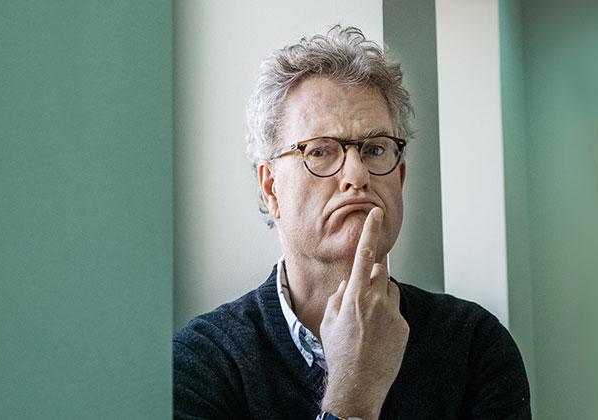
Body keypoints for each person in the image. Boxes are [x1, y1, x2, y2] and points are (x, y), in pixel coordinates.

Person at [173, 25, 531, 420]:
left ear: (400, 178)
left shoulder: (475, 346)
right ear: (271, 187)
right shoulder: (203, 363)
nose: (357, 174)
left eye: (375, 149)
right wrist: (353, 394)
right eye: (320, 151)